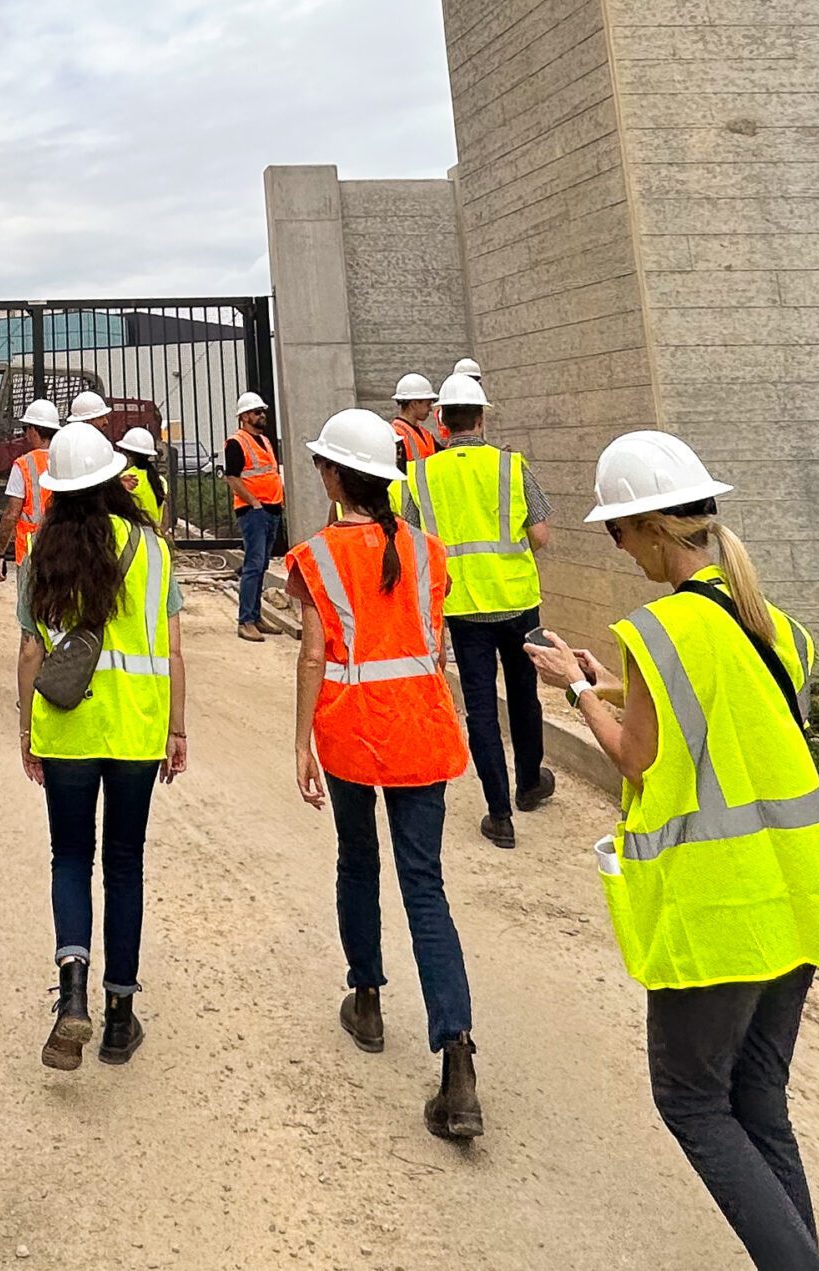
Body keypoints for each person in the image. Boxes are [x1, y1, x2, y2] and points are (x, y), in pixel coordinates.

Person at [527, 433, 819, 1271]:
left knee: (691, 1098)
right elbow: (724, 713)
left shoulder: (661, 628)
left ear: (647, 529)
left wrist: (575, 689)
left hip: (722, 908)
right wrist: (615, 679)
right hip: (799, 891)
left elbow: (637, 757)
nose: (619, 548)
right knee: (759, 1099)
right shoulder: (773, 623)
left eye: (616, 531)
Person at [286, 408, 483, 1143]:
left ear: (336, 476)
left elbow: (312, 654)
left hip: (350, 730)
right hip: (421, 729)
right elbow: (431, 645)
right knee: (424, 883)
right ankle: (456, 1054)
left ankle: (366, 997)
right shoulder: (429, 551)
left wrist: (300, 738)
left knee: (357, 859)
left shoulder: (316, 556)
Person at [15, 419, 187, 1070]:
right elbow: (172, 648)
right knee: (124, 863)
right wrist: (176, 727)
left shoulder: (42, 553)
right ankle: (119, 1017)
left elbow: (32, 649)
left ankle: (72, 993)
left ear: (58, 488)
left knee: (70, 856)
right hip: (137, 730)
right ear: (116, 478)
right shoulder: (153, 549)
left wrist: (27, 732)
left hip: (69, 729)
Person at [401, 372, 554, 848]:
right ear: (482, 417)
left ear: (442, 419)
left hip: (463, 607)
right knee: (525, 695)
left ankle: (499, 815)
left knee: (481, 710)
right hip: (517, 602)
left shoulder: (422, 474)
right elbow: (542, 535)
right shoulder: (511, 467)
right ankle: (529, 784)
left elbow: (411, 540)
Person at [223, 389, 284, 643]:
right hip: (254, 512)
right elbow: (232, 478)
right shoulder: (237, 442)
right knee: (253, 565)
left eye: (263, 412)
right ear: (245, 416)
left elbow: (269, 472)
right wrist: (254, 502)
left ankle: (256, 616)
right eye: (258, 412)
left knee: (261, 566)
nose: (263, 416)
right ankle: (246, 620)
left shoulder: (265, 441)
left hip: (271, 509)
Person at [0, 396, 58, 582]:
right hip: (64, 544)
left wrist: (0, 553)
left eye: (26, 428)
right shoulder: (65, 458)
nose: (25, 434)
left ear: (33, 430)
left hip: (32, 551)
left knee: (29, 609)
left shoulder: (24, 464)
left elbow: (11, 514)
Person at [115, 425, 166, 527]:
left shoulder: (127, 479)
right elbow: (165, 517)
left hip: (136, 537)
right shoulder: (160, 480)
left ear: (129, 454)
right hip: (156, 537)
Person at [390, 372, 443, 469]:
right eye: (427, 405)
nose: (430, 409)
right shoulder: (395, 435)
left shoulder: (426, 436)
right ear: (414, 404)